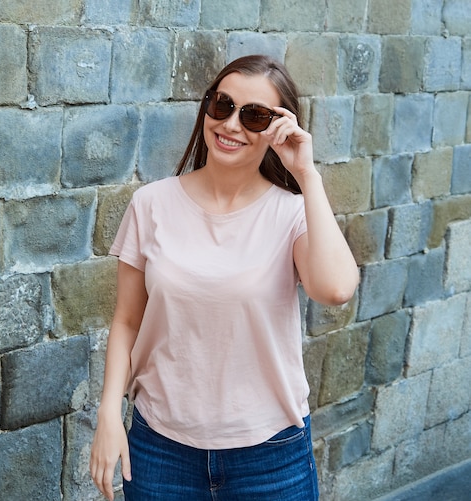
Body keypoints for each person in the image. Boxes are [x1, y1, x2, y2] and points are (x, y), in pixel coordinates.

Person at [90, 54, 359, 500]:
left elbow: (334, 289)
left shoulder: (292, 213)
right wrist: (107, 415)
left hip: (270, 456)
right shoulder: (151, 204)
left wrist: (307, 176)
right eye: (223, 105)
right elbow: (127, 321)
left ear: (278, 128)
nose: (232, 124)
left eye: (255, 116)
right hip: (161, 450)